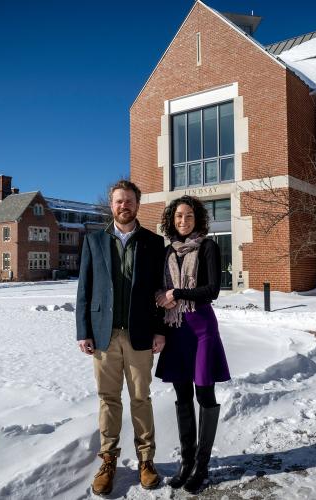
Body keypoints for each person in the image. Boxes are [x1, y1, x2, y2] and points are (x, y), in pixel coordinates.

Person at [75, 179, 166, 496]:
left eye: (129, 201)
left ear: (137, 204)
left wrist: (159, 330)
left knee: (141, 399)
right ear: (111, 205)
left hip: (140, 334)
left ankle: (146, 460)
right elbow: (84, 289)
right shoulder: (94, 241)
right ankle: (108, 460)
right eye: (118, 201)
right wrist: (83, 331)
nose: (123, 206)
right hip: (103, 335)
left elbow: (159, 291)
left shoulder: (154, 243)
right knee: (108, 399)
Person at [155, 195, 231, 494]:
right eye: (177, 217)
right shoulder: (167, 252)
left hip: (201, 329)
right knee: (182, 395)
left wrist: (176, 293)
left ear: (197, 218)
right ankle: (186, 463)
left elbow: (213, 290)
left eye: (188, 216)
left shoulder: (208, 247)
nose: (182, 221)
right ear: (171, 221)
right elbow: (162, 293)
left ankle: (202, 466)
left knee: (204, 394)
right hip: (176, 329)